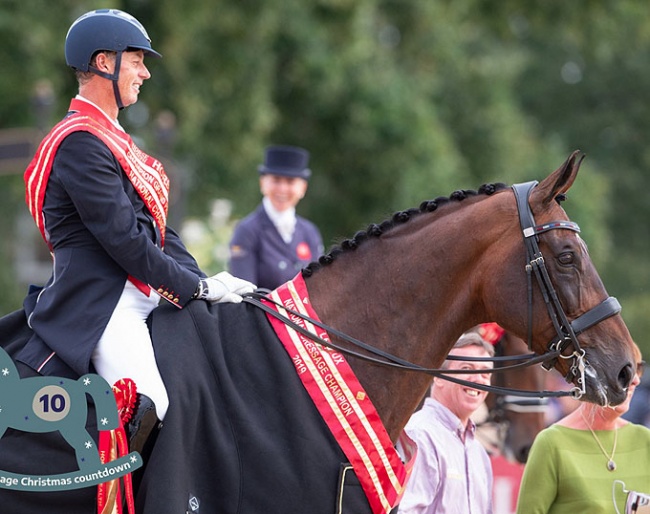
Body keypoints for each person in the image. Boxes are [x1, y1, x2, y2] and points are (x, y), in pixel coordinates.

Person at [19, 9, 255, 434]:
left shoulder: (117, 141)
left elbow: (159, 232)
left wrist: (206, 283)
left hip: (142, 288)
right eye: (137, 60)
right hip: (105, 300)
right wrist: (195, 288)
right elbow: (125, 241)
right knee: (155, 405)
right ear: (103, 63)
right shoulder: (80, 143)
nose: (145, 73)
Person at [516, 343, 650, 514]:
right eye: (624, 371)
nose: (636, 380)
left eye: (638, 369)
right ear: (588, 375)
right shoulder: (552, 443)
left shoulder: (645, 440)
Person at [397, 332, 495, 514]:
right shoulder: (419, 435)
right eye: (467, 369)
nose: (478, 380)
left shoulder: (479, 452)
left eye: (485, 373)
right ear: (438, 376)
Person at [228, 144, 324, 290]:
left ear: (303, 188)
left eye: (290, 182)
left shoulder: (310, 232)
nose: (282, 189)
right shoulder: (246, 231)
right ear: (262, 183)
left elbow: (319, 289)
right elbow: (245, 296)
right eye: (276, 180)